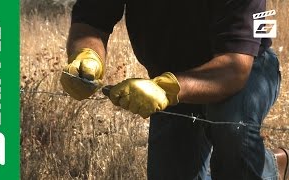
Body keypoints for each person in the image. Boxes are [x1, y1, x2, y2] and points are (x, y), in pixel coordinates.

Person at [60, 0, 289, 179]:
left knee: (231, 127)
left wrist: (166, 89)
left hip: (247, 66)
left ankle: (269, 169)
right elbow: (90, 22)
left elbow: (235, 68)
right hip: (171, 70)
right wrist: (87, 55)